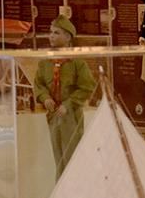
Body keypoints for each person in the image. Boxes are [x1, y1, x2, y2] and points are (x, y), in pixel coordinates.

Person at [32, 17, 97, 174]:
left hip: (71, 117)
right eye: (50, 32)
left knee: (73, 158)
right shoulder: (45, 62)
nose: (51, 36)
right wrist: (45, 98)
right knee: (58, 158)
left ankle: (75, 188)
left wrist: (68, 105)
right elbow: (38, 84)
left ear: (68, 37)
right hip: (53, 115)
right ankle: (61, 188)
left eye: (56, 33)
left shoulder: (77, 62)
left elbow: (88, 86)